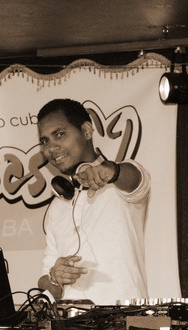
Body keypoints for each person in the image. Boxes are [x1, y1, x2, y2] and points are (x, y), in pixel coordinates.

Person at [35, 98, 151, 305]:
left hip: (125, 316)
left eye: (59, 135)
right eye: (44, 141)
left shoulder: (119, 184)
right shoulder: (57, 205)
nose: (51, 148)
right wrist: (54, 277)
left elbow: (136, 179)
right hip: (73, 320)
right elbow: (45, 281)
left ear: (87, 131)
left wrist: (112, 172)